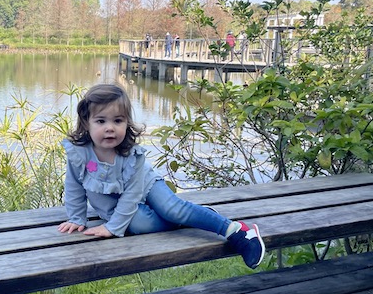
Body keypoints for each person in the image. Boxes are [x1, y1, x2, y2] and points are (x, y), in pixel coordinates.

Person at [58, 83, 266, 269]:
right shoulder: (80, 154)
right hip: (113, 204)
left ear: (127, 122)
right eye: (101, 121)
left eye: (118, 120)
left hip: (146, 185)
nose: (110, 128)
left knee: (172, 209)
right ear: (86, 122)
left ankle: (237, 231)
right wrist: (77, 218)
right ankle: (198, 216)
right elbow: (74, 186)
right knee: (139, 224)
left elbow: (133, 193)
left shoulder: (131, 154)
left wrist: (112, 227)